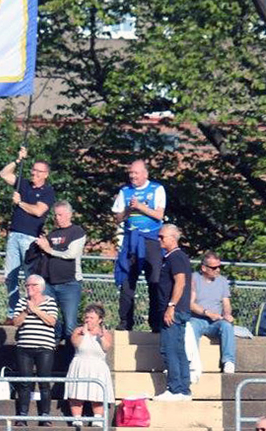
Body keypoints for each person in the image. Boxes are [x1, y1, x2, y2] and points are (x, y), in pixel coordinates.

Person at [0, 147, 56, 325]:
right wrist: (17, 160)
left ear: (45, 174)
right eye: (33, 169)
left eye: (38, 171)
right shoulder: (23, 184)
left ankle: (32, 310)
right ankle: (13, 312)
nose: (34, 173)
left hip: (30, 239)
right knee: (10, 276)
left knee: (31, 277)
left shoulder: (47, 192)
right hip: (14, 235)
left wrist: (20, 202)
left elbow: (39, 211)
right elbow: (4, 174)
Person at [112, 159, 166, 331]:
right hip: (131, 240)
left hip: (151, 240)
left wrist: (140, 207)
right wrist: (128, 210)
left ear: (145, 174)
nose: (132, 176)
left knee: (154, 281)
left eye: (136, 173)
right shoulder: (125, 191)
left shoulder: (156, 189)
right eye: (131, 173)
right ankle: (125, 322)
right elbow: (117, 218)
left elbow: (159, 215)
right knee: (127, 281)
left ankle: (155, 323)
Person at [35, 201, 87, 340]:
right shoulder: (52, 234)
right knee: (48, 320)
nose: (57, 218)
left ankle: (69, 357)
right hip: (49, 284)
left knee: (70, 324)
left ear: (69, 215)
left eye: (61, 214)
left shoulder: (77, 232)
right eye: (56, 215)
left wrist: (49, 249)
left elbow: (71, 254)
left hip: (69, 283)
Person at [12, 274, 59, 427]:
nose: (29, 288)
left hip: (44, 348)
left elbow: (51, 321)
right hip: (25, 348)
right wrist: (26, 311)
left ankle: (45, 415)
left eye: (32, 285)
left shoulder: (50, 302)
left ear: (40, 287)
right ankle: (22, 415)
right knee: (25, 382)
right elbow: (16, 322)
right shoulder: (21, 302)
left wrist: (35, 310)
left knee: (44, 382)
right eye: (27, 285)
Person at [153, 224, 192, 401]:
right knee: (178, 349)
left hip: (174, 310)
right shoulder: (173, 257)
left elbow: (180, 282)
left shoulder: (175, 257)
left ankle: (175, 389)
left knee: (169, 349)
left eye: (162, 237)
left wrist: (171, 306)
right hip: (177, 309)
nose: (159, 239)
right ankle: (184, 389)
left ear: (172, 238)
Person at [65, 303, 114, 428]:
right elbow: (76, 344)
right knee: (76, 393)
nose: (88, 320)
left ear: (100, 319)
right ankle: (77, 418)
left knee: (97, 393)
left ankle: (97, 418)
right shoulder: (78, 331)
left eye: (91, 318)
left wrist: (101, 337)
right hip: (80, 363)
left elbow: (107, 347)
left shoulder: (105, 333)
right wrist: (83, 334)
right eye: (87, 317)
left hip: (97, 366)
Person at [189, 250, 236, 374]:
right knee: (191, 327)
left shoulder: (222, 281)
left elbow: (226, 303)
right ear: (204, 268)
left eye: (219, 267)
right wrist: (207, 313)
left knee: (227, 326)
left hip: (216, 321)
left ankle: (228, 361)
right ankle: (192, 362)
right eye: (214, 268)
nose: (218, 270)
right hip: (197, 319)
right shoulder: (194, 278)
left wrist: (227, 314)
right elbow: (190, 304)